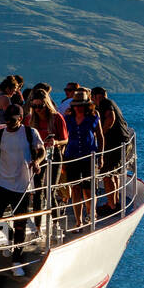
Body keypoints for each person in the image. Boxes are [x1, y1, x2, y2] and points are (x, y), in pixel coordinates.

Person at [0, 104, 46, 277]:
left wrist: (37, 162)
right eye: (6, 120)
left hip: (22, 185)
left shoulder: (30, 133)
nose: (8, 123)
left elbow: (41, 151)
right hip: (2, 182)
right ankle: (9, 236)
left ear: (20, 118)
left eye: (12, 120)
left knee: (20, 224)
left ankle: (16, 261)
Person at [62, 88, 103, 228]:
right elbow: (64, 139)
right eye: (76, 105)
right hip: (72, 156)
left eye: (81, 105)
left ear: (86, 105)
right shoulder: (68, 118)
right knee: (75, 188)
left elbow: (100, 136)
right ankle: (78, 221)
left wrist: (100, 156)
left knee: (88, 189)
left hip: (89, 157)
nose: (78, 107)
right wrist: (62, 160)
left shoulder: (93, 116)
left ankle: (91, 214)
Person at [25, 90, 68, 213]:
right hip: (37, 154)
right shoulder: (30, 119)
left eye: (40, 106)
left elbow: (65, 139)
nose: (37, 109)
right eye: (34, 106)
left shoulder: (57, 118)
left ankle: (55, 221)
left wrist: (55, 142)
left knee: (51, 190)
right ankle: (38, 224)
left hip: (53, 154)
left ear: (47, 104)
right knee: (38, 190)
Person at [91, 86, 131, 210]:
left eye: (92, 97)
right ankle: (115, 201)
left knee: (107, 174)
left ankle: (111, 205)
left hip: (114, 143)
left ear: (96, 96)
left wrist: (100, 134)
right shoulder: (111, 103)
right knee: (114, 173)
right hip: (122, 141)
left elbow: (110, 118)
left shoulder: (105, 103)